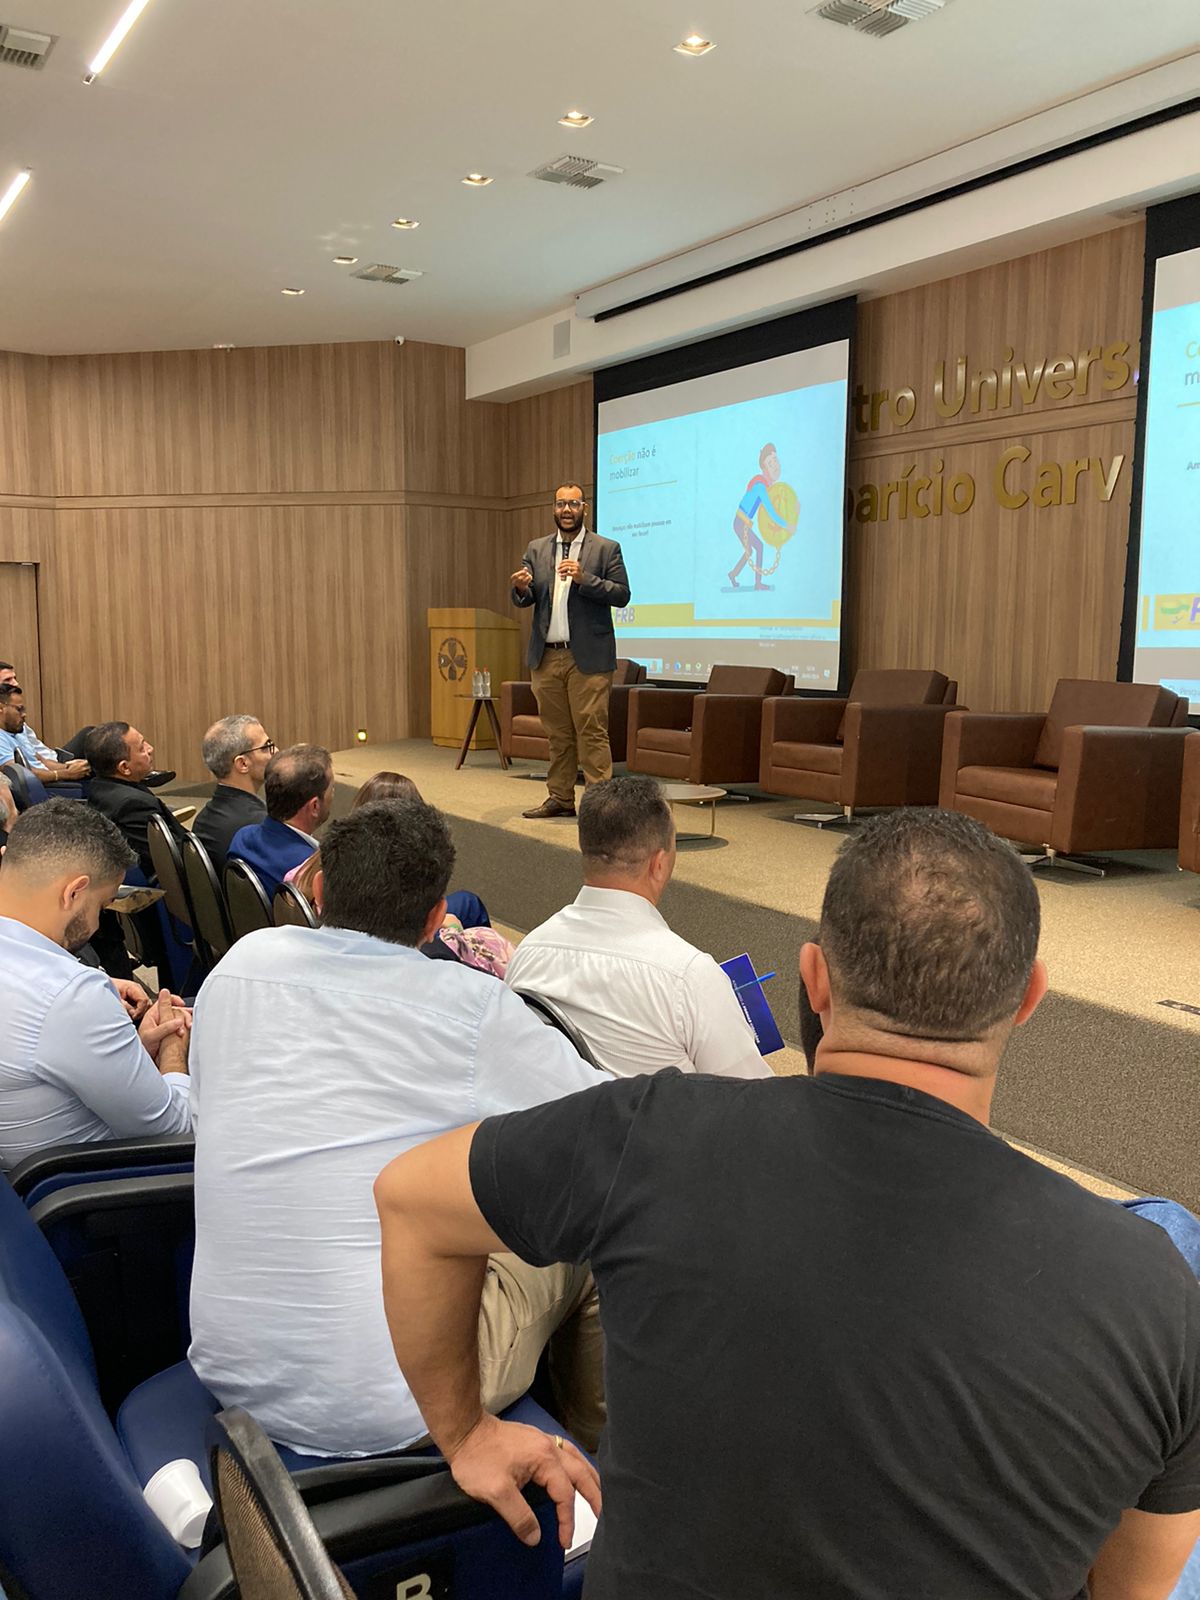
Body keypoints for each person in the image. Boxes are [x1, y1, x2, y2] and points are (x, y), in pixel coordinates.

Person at [374, 808, 1200, 1598]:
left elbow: (409, 1198)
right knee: (1169, 1229)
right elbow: (1133, 1587)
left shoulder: (646, 1131)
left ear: (814, 980)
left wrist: (466, 1434)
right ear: (1029, 999)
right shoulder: (1156, 1291)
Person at [188, 797, 606, 1458]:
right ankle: (598, 1477)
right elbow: (611, 1129)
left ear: (318, 890)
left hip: (230, 1370)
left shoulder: (239, 965)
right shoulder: (470, 1007)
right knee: (587, 1240)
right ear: (437, 919)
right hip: (399, 1400)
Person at [506, 774, 768, 1078]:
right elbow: (748, 1094)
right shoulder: (688, 977)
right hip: (657, 1111)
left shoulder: (528, 953)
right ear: (659, 864)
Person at [0, 801, 191, 1170]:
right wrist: (173, 1051)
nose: (98, 924)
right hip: (101, 1187)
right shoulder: (69, 996)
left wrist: (130, 1051)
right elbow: (175, 1130)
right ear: (74, 893)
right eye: (102, 906)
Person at [511, 483, 630, 821]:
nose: (566, 510)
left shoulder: (606, 549)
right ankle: (560, 798)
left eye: (573, 504)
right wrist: (520, 588)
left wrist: (584, 579)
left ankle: (599, 806)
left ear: (584, 509)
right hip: (547, 656)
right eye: (561, 504)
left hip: (588, 658)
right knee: (557, 733)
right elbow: (527, 597)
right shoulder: (536, 549)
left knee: (591, 730)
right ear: (554, 508)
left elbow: (622, 594)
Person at [228, 743, 332, 901]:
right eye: (332, 788)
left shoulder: (242, 838)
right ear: (315, 806)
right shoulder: (311, 870)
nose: (333, 793)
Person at [85, 721, 186, 881]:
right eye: (141, 748)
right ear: (124, 768)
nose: (150, 749)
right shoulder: (133, 805)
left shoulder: (99, 786)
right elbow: (176, 857)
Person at [192, 715, 275, 869]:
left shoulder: (202, 820)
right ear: (242, 763)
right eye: (266, 747)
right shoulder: (261, 827)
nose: (276, 751)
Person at [0, 684, 90, 786]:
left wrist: (71, 768)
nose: (24, 714)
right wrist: (65, 774)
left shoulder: (18, 730)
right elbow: (19, 775)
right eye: (19, 709)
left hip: (53, 778)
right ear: (1, 708)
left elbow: (42, 761)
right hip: (44, 786)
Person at [728, 442, 787, 592]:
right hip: (740, 522)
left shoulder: (764, 486)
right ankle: (757, 583)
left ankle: (733, 574)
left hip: (741, 522)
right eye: (770, 463)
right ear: (764, 468)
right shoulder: (760, 487)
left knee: (751, 550)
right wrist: (786, 525)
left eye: (776, 461)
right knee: (758, 547)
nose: (775, 466)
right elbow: (771, 512)